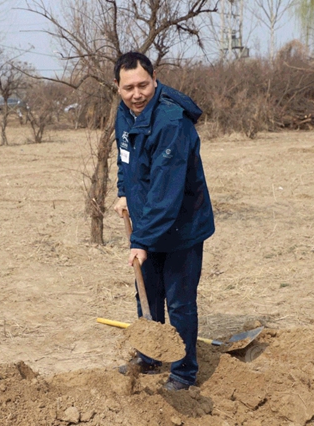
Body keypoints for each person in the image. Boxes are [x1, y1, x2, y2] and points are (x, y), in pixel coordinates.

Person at [112, 52, 215, 391]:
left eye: (143, 84)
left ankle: (184, 372)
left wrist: (140, 241)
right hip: (148, 221)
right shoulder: (125, 114)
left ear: (154, 78)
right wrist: (124, 191)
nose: (137, 94)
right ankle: (150, 355)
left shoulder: (172, 121)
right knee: (148, 296)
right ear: (118, 87)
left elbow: (166, 191)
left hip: (181, 225)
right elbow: (125, 159)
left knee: (180, 301)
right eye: (129, 87)